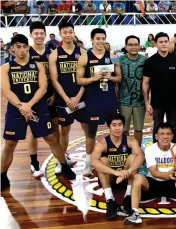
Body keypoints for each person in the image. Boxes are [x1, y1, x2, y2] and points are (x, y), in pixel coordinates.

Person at [1, 34, 76, 191]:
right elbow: (5, 90)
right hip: (16, 109)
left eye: (24, 47)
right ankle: (2, 176)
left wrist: (29, 105)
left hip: (37, 107)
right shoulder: (6, 68)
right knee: (9, 144)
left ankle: (63, 166)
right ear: (12, 49)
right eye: (18, 47)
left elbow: (43, 88)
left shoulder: (38, 66)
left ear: (28, 47)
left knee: (51, 138)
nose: (22, 50)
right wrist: (22, 106)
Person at [123, 123, 176, 225]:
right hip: (153, 183)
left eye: (168, 134)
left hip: (171, 183)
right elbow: (154, 172)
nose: (165, 136)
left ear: (172, 136)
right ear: (156, 136)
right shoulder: (150, 149)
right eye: (162, 134)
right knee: (137, 177)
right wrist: (168, 175)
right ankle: (135, 213)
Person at [76, 28, 122, 176]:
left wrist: (110, 77)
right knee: (91, 133)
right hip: (93, 100)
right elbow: (79, 80)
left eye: (103, 38)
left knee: (115, 131)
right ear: (92, 40)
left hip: (109, 99)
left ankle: (114, 159)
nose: (101, 41)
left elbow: (119, 78)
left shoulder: (113, 56)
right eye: (98, 38)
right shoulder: (84, 57)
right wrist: (93, 79)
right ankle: (88, 163)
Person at [90, 114, 145, 219]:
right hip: (109, 178)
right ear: (109, 127)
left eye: (120, 125)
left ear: (123, 126)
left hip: (125, 178)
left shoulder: (130, 140)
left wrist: (128, 171)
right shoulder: (103, 143)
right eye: (114, 125)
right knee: (102, 160)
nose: (117, 128)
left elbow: (141, 156)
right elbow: (93, 162)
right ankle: (110, 199)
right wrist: (114, 172)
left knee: (134, 157)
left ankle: (128, 196)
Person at [49, 21, 88, 167]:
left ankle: (90, 161)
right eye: (65, 32)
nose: (68, 35)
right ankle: (62, 162)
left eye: (70, 32)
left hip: (82, 97)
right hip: (63, 100)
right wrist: (67, 99)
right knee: (64, 130)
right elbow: (54, 80)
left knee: (87, 129)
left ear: (74, 33)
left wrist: (77, 97)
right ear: (60, 34)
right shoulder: (54, 55)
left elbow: (87, 78)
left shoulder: (83, 52)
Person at [28, 21, 58, 178]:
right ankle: (33, 163)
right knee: (33, 132)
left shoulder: (51, 51)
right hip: (34, 97)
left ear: (45, 34)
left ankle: (60, 156)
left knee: (55, 127)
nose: (39, 36)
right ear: (31, 35)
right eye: (36, 33)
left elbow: (54, 76)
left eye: (41, 33)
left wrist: (54, 93)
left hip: (51, 95)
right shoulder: (26, 52)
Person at [143, 32, 176, 141]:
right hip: (157, 102)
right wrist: (147, 103)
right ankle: (156, 152)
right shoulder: (149, 62)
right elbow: (145, 83)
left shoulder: (175, 60)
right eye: (161, 42)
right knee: (157, 127)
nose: (164, 44)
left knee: (173, 127)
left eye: (166, 41)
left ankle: (173, 152)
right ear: (156, 44)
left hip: (174, 102)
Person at [119, 35, 146, 145]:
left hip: (140, 100)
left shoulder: (145, 60)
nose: (133, 47)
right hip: (123, 100)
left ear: (139, 46)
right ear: (125, 46)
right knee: (124, 129)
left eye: (136, 44)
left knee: (139, 129)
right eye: (130, 45)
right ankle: (126, 149)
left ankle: (137, 150)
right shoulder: (119, 60)